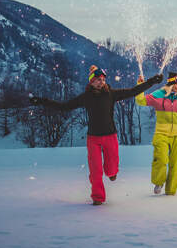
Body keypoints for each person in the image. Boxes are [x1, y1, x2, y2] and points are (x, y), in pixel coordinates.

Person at [29, 65, 163, 205]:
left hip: (110, 136)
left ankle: (112, 173)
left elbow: (133, 91)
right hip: (93, 138)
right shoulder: (86, 97)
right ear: (91, 82)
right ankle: (98, 198)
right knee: (95, 171)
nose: (101, 82)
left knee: (111, 169)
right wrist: (42, 101)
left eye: (103, 79)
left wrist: (152, 81)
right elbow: (64, 106)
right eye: (98, 79)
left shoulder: (111, 93)